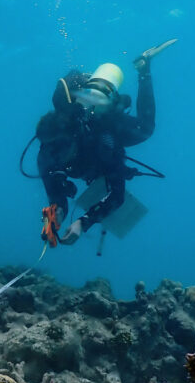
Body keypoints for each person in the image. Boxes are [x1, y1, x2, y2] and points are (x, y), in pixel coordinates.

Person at [35, 52, 157, 245]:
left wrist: (84, 223)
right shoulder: (46, 155)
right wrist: (55, 213)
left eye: (62, 149)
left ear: (73, 139)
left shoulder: (104, 143)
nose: (58, 156)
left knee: (145, 130)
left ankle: (144, 70)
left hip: (104, 131)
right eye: (53, 149)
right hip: (89, 153)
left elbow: (117, 195)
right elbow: (55, 194)